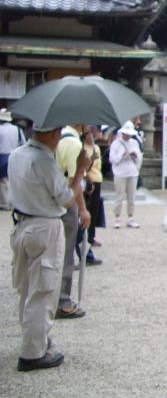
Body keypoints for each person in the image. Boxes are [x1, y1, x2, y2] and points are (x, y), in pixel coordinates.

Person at [10, 124, 90, 371]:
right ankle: (33, 352)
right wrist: (80, 172)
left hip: (22, 223)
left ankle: (36, 338)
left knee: (26, 288)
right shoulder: (44, 160)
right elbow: (66, 199)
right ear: (54, 134)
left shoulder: (17, 154)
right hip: (45, 226)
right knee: (43, 291)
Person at [54, 123, 92, 319]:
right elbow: (73, 182)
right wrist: (84, 209)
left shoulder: (59, 139)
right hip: (67, 204)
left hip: (51, 203)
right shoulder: (72, 143)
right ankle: (63, 300)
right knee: (67, 252)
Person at [108, 120, 142, 229]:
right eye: (126, 133)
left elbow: (139, 158)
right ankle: (117, 217)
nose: (128, 136)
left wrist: (134, 156)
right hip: (119, 172)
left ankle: (131, 217)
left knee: (132, 196)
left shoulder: (135, 143)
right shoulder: (116, 143)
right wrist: (122, 155)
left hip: (132, 171)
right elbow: (112, 159)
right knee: (119, 196)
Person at [80, 126, 104, 265]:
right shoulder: (82, 147)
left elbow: (98, 165)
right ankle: (85, 241)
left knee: (94, 212)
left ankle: (91, 236)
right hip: (89, 180)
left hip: (97, 178)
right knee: (87, 211)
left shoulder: (96, 148)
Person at [0, 108, 25, 211]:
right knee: (13, 180)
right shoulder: (18, 129)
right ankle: (14, 202)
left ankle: (4, 203)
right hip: (15, 156)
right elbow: (23, 143)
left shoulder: (0, 129)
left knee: (3, 181)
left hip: (2, 156)